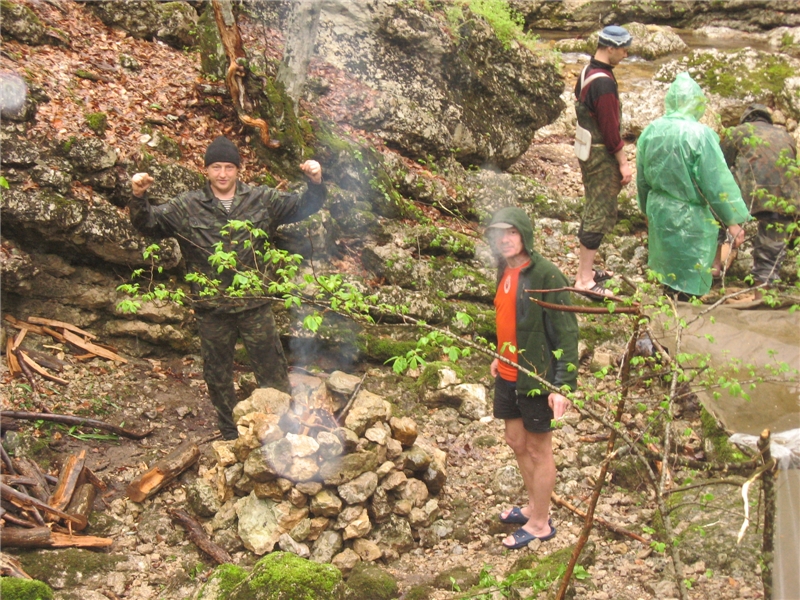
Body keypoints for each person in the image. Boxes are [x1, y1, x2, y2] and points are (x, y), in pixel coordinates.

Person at [129, 136, 326, 440]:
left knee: (272, 371)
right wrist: (139, 196)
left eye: (229, 167)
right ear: (206, 170)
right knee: (218, 376)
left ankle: (284, 431)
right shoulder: (188, 205)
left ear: (238, 169)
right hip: (212, 309)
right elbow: (150, 224)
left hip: (254, 305)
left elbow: (303, 206)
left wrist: (315, 182)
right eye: (216, 167)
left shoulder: (261, 199)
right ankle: (232, 435)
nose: (222, 174)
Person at [486, 207, 579, 549]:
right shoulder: (504, 269)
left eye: (512, 232)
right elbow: (508, 316)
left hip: (537, 377)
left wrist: (562, 385)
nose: (505, 239)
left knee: (539, 450)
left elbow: (567, 333)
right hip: (508, 372)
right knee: (515, 440)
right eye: (499, 233)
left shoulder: (547, 275)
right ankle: (533, 507)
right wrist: (500, 355)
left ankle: (540, 523)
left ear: (525, 234)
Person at [636, 73, 749, 298]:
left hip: (659, 209)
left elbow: (642, 176)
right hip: (691, 216)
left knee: (666, 271)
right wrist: (732, 221)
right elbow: (715, 183)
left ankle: (669, 310)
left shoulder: (652, 130)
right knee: (690, 275)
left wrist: (645, 208)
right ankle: (686, 311)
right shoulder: (700, 135)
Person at [573, 25, 634, 298]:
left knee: (591, 209)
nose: (626, 54)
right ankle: (584, 280)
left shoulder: (587, 71)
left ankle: (585, 270)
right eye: (624, 49)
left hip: (587, 152)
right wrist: (623, 162)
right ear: (610, 48)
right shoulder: (604, 83)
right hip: (601, 157)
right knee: (598, 214)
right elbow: (610, 130)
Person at [718, 104, 799, 298]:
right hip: (788, 199)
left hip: (750, 192)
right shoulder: (785, 136)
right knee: (770, 253)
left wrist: (729, 220)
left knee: (717, 212)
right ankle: (762, 298)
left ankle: (715, 269)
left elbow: (718, 168)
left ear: (746, 119)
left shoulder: (737, 132)